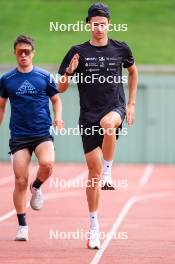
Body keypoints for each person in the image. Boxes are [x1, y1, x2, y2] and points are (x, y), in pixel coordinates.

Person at [58, 3, 138, 249]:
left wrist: (131, 105)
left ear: (109, 24)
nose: (99, 28)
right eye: (95, 23)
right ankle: (93, 226)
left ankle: (109, 171)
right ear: (88, 24)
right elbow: (59, 88)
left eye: (103, 24)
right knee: (91, 176)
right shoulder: (77, 51)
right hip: (87, 118)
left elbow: (133, 72)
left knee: (108, 124)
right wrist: (69, 73)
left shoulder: (120, 48)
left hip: (113, 110)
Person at [0, 35, 64, 241]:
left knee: (47, 164)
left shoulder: (44, 76)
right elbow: (1, 106)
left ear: (33, 53)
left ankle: (36, 186)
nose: (24, 55)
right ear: (15, 53)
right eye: (20, 51)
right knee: (19, 181)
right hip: (19, 135)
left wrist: (58, 118)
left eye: (27, 51)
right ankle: (22, 226)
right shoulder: (7, 79)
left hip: (41, 132)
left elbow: (56, 100)